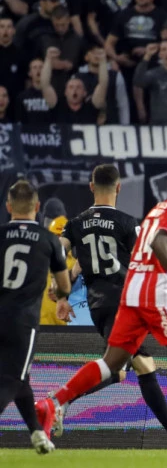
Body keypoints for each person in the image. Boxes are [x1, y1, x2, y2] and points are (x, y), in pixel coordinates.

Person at [35, 165, 167, 454]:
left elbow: (145, 251)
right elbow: (159, 243)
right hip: (156, 294)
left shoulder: (156, 211)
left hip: (131, 292)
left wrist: (60, 289)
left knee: (112, 363)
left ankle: (53, 401)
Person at [51, 164, 167, 448]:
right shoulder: (128, 223)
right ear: (118, 187)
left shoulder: (76, 223)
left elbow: (59, 251)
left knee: (131, 368)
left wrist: (62, 293)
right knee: (129, 366)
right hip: (124, 302)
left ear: (91, 187)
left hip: (98, 305)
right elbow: (149, 257)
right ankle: (58, 401)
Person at [0, 180, 70, 454]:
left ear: (8, 207)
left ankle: (37, 433)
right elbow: (64, 286)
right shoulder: (48, 239)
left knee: (22, 378)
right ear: (37, 207)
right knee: (12, 380)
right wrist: (58, 292)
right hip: (23, 322)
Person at [40, 46, 107, 124]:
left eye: (78, 87)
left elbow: (103, 84)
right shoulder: (58, 106)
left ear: (84, 93)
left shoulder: (91, 107)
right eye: (71, 87)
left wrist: (102, 60)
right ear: (65, 92)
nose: (75, 90)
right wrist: (48, 59)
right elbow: (45, 84)